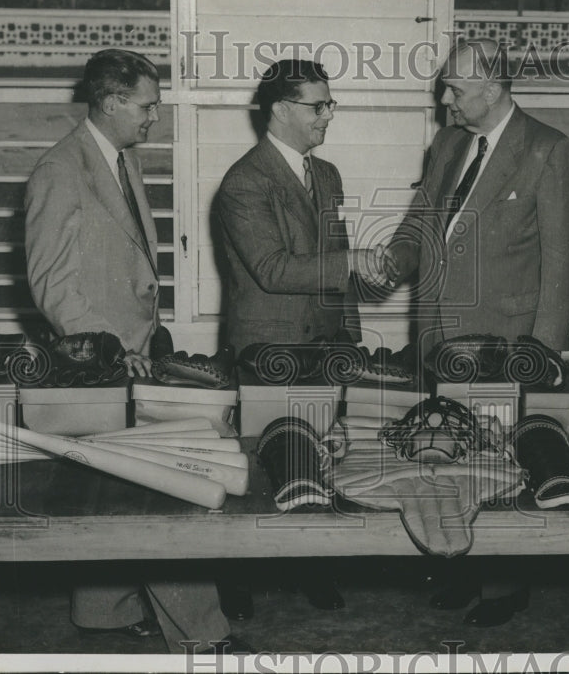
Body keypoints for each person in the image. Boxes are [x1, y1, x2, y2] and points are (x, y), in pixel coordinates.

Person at [24, 48, 245, 653]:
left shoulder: (117, 159)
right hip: (100, 364)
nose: (155, 117)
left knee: (117, 493)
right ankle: (204, 637)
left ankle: (103, 612)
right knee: (162, 491)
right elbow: (49, 282)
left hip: (135, 354)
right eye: (147, 105)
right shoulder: (59, 171)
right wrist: (111, 349)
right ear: (113, 101)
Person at [384, 38, 569, 627]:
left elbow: (562, 262)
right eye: (446, 86)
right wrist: (388, 264)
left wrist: (542, 354)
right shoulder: (448, 143)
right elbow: (420, 224)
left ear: (494, 89)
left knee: (503, 459)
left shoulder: (549, 150)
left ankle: (506, 583)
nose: (445, 97)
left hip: (506, 343)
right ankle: (462, 569)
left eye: (456, 88)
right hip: (441, 335)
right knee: (452, 454)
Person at [215, 57, 385, 611]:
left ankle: (314, 567)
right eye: (319, 105)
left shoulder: (327, 174)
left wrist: (350, 336)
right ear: (281, 109)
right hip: (269, 350)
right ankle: (236, 581)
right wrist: (352, 261)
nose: (328, 115)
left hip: (324, 346)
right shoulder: (245, 182)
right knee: (261, 463)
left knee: (319, 458)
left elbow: (338, 265)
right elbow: (271, 269)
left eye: (330, 104)